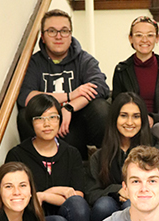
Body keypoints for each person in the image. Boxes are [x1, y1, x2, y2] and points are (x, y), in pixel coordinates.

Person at [17, 9, 110, 158]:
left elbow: (100, 87)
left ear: (71, 35)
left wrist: (69, 107)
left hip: (77, 121)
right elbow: (26, 96)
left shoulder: (84, 59)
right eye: (52, 31)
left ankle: (104, 158)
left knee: (101, 108)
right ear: (43, 37)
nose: (59, 36)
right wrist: (69, 95)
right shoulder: (34, 63)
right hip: (47, 123)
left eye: (64, 31)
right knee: (24, 115)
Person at [6, 94, 90, 221]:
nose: (47, 124)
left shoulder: (71, 153)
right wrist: (60, 192)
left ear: (59, 120)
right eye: (40, 118)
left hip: (67, 215)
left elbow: (77, 197)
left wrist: (44, 195)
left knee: (78, 206)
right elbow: (20, 199)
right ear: (31, 121)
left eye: (53, 117)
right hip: (32, 220)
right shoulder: (17, 155)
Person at [85, 92, 159, 221]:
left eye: (136, 116)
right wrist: (118, 190)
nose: (129, 122)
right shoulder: (100, 156)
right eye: (123, 116)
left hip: (150, 213)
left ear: (143, 120)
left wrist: (137, 195)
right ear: (114, 119)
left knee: (131, 206)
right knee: (103, 206)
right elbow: (91, 194)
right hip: (111, 209)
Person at [112, 16, 159, 149]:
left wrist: (152, 119)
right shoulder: (122, 70)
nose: (144, 40)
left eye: (150, 35)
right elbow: (116, 107)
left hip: (157, 126)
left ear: (157, 38)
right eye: (138, 35)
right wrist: (136, 119)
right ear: (131, 39)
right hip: (130, 124)